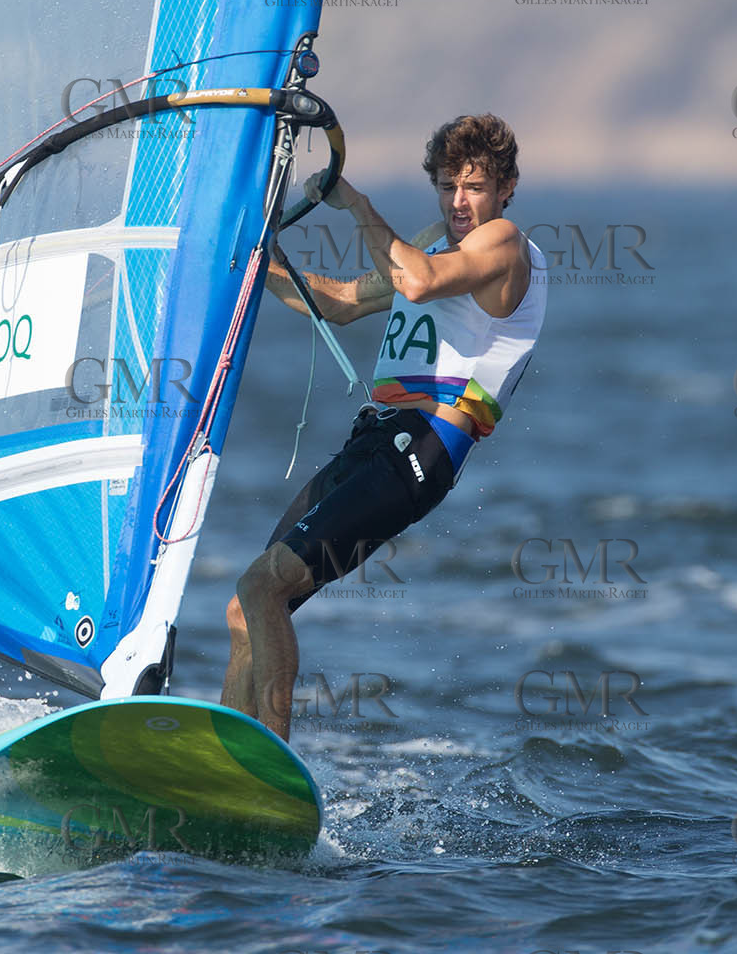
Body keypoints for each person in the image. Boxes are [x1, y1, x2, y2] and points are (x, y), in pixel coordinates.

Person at [220, 113, 547, 741]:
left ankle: (267, 767)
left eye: (474, 187)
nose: (458, 201)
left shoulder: (505, 244)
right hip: (373, 441)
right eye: (449, 185)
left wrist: (354, 203)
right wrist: (253, 261)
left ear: (504, 190)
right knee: (248, 603)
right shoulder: (431, 240)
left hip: (421, 449)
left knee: (264, 587)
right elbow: (341, 302)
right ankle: (224, 762)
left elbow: (417, 284)